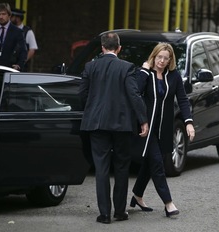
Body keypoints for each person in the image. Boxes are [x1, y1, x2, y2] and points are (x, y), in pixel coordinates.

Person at [79, 32, 149, 224]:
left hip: (97, 124)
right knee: (121, 167)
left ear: (102, 47)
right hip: (121, 124)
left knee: (101, 168)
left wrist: (92, 110)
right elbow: (134, 95)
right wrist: (143, 120)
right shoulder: (127, 68)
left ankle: (104, 214)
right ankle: (120, 211)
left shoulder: (90, 66)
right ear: (119, 48)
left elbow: (82, 94)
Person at [130, 43, 195, 218]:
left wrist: (188, 122)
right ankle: (168, 203)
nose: (162, 61)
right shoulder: (145, 72)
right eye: (159, 57)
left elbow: (182, 100)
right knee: (157, 163)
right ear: (154, 56)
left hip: (163, 129)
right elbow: (134, 91)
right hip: (146, 127)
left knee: (150, 164)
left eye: (166, 58)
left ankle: (137, 195)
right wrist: (144, 71)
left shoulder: (173, 76)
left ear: (170, 60)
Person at [0, 3, 27, 71]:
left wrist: (19, 65)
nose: (1, 17)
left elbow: (23, 51)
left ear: (9, 15)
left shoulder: (18, 32)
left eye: (3, 14)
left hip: (9, 69)